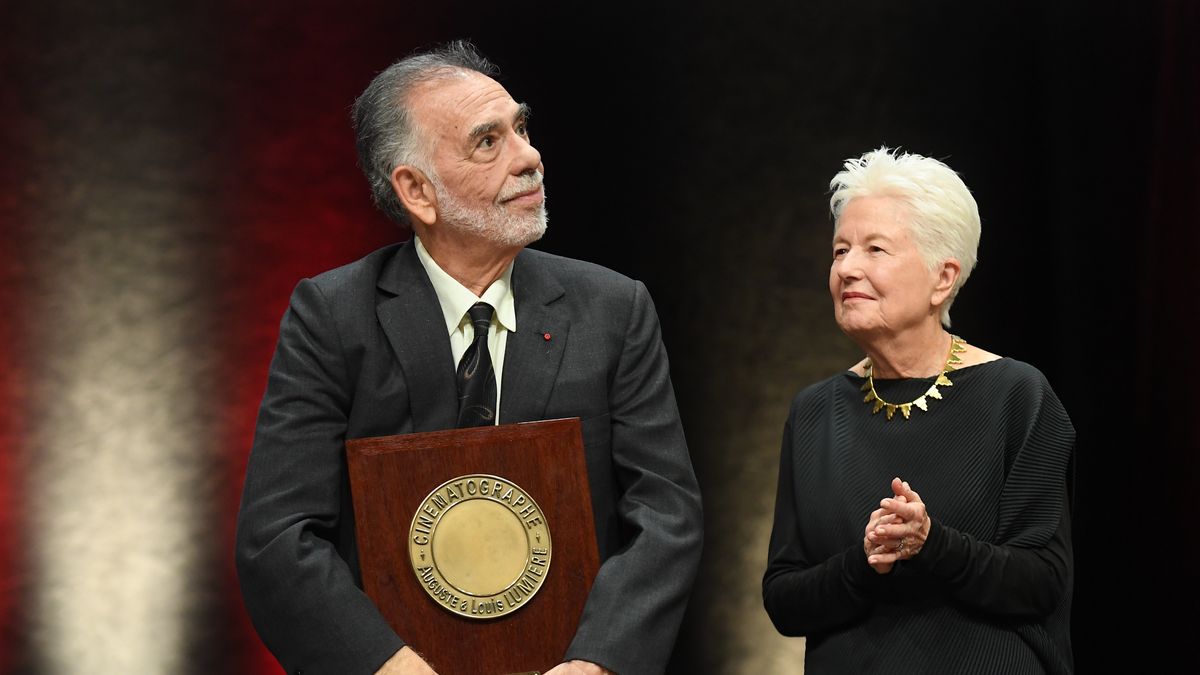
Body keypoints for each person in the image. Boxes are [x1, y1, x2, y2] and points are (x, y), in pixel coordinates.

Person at [235, 41, 703, 675]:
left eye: (522, 128)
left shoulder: (614, 309)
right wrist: (390, 668)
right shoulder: (333, 315)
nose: (530, 156)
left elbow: (665, 515)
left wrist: (598, 664)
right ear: (417, 192)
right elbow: (277, 538)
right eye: (488, 142)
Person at [762, 147, 1074, 673]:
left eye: (875, 249)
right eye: (840, 251)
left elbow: (1042, 583)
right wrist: (865, 564)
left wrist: (933, 546)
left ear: (943, 279)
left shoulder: (1017, 395)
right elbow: (785, 598)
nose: (847, 269)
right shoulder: (814, 412)